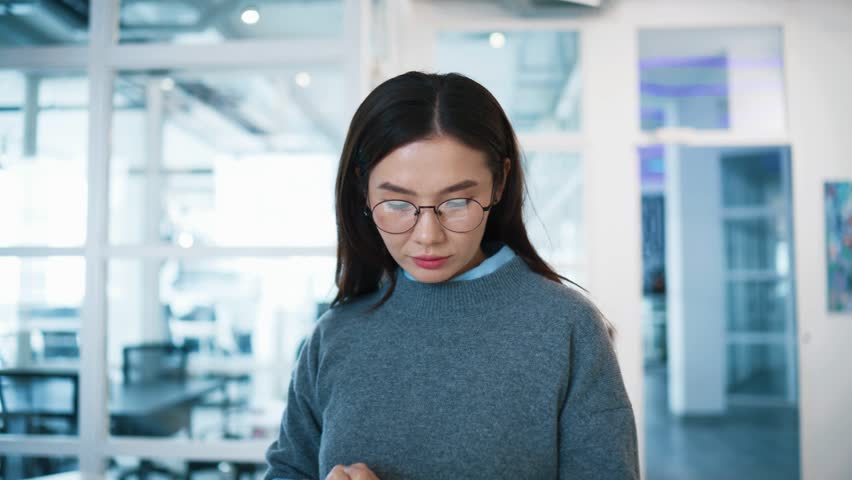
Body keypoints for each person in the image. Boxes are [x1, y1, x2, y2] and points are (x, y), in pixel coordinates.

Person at [264, 71, 640, 480]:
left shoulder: (567, 327)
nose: (428, 236)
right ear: (363, 192)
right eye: (397, 203)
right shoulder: (333, 335)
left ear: (499, 184)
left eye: (457, 201)